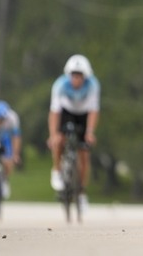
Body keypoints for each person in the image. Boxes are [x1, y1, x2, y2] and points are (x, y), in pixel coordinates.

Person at [47, 54, 100, 212]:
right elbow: (54, 112)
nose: (76, 79)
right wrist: (53, 134)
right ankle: (57, 170)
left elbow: (94, 111)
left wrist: (90, 132)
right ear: (69, 75)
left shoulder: (93, 85)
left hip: (83, 115)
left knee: (84, 153)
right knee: (59, 141)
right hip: (66, 112)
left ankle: (82, 191)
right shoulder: (59, 85)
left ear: (85, 76)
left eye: (80, 76)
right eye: (74, 76)